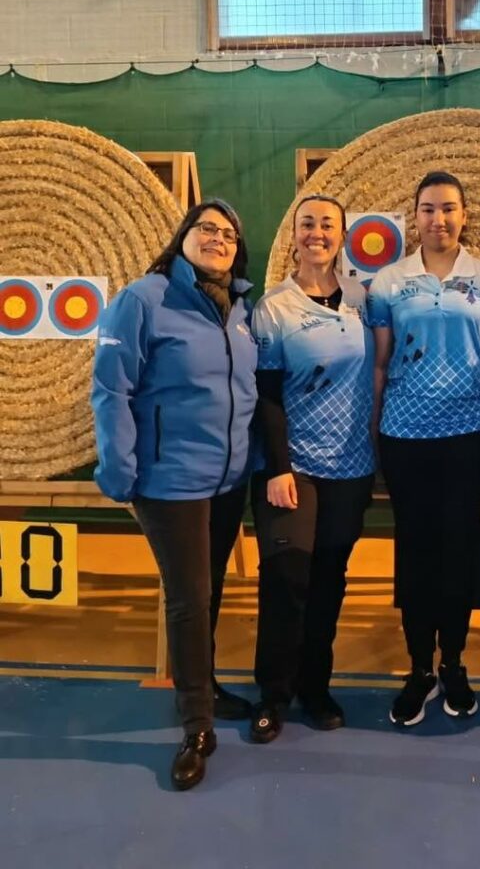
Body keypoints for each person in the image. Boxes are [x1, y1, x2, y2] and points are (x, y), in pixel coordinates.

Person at [91, 199, 258, 791]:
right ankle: (197, 725)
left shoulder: (238, 306)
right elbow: (111, 389)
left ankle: (204, 684)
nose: (218, 239)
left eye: (229, 234)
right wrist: (120, 469)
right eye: (206, 228)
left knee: (206, 592)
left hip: (226, 480)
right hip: (169, 480)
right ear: (182, 236)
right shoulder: (144, 299)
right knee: (188, 598)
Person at [368, 170, 480, 727]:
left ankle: (453, 663)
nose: (439, 219)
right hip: (405, 437)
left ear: (465, 214)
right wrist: (373, 435)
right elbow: (380, 366)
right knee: (415, 552)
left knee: (459, 550)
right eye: (428, 209)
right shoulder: (389, 283)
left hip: (471, 435)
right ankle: (418, 669)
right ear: (415, 216)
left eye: (449, 208)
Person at [249, 195, 374, 742]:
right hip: (292, 466)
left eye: (328, 224)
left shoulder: (364, 300)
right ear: (293, 235)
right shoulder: (274, 308)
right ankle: (273, 693)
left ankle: (315, 687)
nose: (317, 232)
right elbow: (266, 394)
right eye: (307, 223)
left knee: (329, 578)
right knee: (285, 577)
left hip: (351, 465)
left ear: (342, 234)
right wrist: (278, 466)